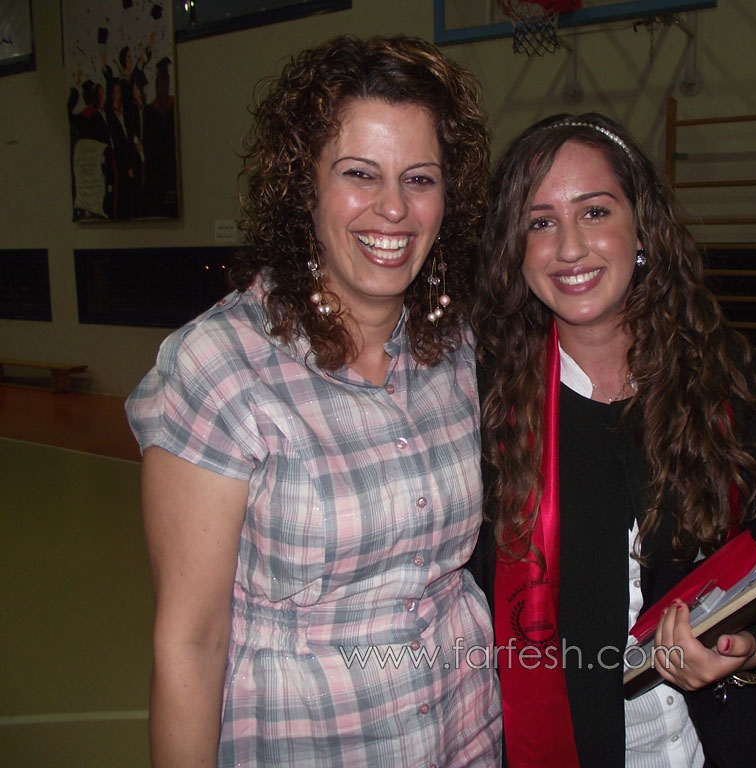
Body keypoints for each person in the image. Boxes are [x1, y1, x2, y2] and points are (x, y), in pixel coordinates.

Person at [127, 35, 500, 767]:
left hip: (464, 728)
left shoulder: (459, 347)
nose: (394, 208)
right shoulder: (222, 364)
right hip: (308, 741)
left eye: (420, 179)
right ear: (305, 185)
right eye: (359, 174)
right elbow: (191, 642)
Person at [471, 113, 756, 768]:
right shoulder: (482, 415)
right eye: (539, 223)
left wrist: (755, 650)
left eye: (595, 212)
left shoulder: (745, 398)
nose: (570, 247)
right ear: (515, 249)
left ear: (642, 227)